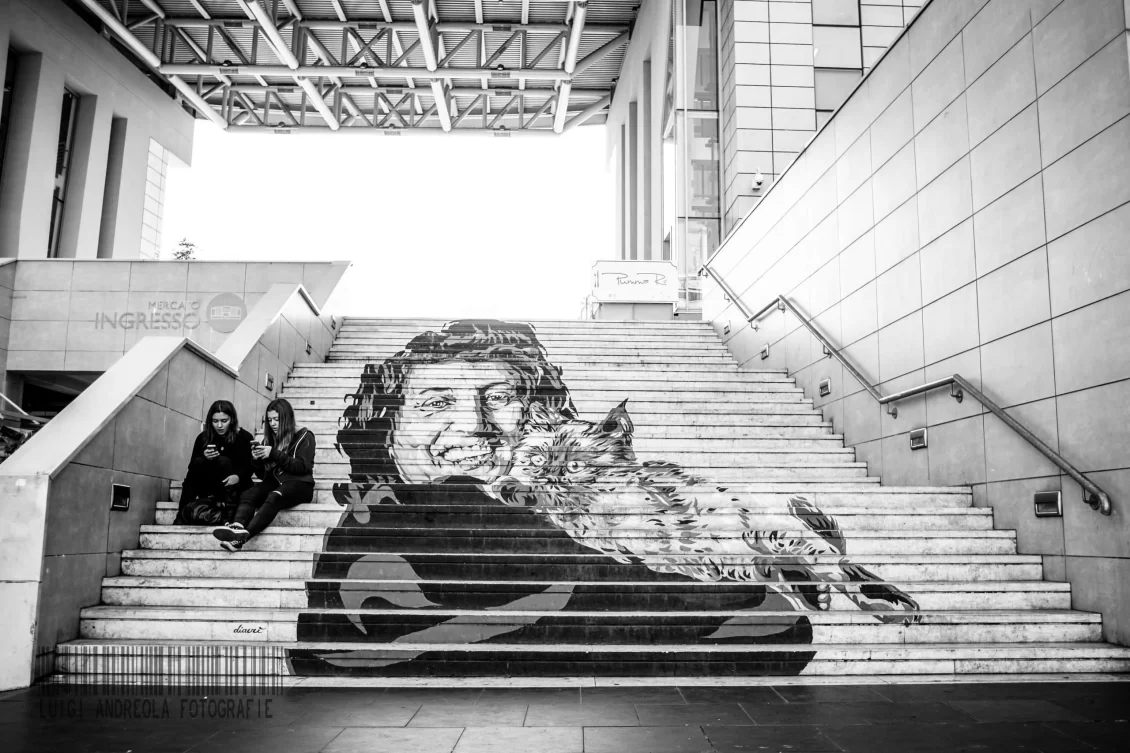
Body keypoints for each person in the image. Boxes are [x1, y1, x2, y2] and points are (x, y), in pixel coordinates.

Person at [212, 398, 315, 552]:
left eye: (276, 419)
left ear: (286, 418)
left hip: (300, 484)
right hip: (276, 481)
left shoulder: (305, 436)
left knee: (274, 496)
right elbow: (262, 475)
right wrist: (256, 460)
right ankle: (237, 526)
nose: (272, 423)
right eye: (269, 420)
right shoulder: (271, 438)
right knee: (249, 493)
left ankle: (243, 538)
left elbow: (302, 467)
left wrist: (273, 453)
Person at [173, 400, 254, 525]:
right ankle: (181, 515)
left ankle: (228, 514)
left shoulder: (244, 437)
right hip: (211, 486)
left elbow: (249, 467)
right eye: (215, 421)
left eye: (224, 421)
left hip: (236, 486)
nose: (220, 426)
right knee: (198, 464)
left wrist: (238, 477)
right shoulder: (203, 438)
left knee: (224, 461)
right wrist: (205, 458)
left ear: (232, 420)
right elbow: (192, 468)